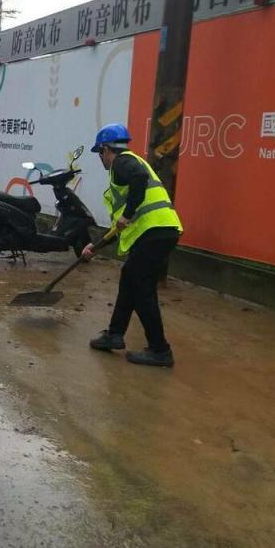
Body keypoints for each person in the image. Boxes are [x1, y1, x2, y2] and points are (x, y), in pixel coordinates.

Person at [81, 123, 183, 368]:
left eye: (99, 153)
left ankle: (160, 350)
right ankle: (114, 335)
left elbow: (138, 182)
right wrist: (94, 247)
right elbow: (121, 226)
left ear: (107, 149)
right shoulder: (127, 165)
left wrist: (127, 213)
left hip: (155, 232)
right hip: (160, 231)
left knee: (142, 288)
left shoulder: (123, 163)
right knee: (130, 278)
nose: (100, 159)